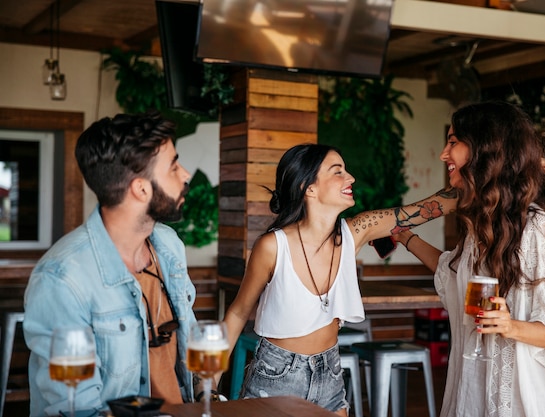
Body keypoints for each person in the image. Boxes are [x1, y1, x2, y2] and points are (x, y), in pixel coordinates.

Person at [222, 143, 461, 416]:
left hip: (331, 373)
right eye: (338, 172)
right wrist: (208, 378)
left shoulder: (356, 231)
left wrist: (477, 168)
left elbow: (435, 206)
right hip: (278, 375)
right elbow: (239, 312)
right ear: (308, 188)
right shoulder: (273, 246)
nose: (351, 178)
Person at [396, 101, 545, 416]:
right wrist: (405, 237)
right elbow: (450, 274)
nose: (443, 154)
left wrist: (509, 325)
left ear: (483, 149)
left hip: (519, 400)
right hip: (473, 390)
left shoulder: (536, 229)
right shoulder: (481, 227)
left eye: (453, 142)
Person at [23, 111, 198, 416]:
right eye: (173, 166)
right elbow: (75, 409)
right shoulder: (62, 278)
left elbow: (188, 358)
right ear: (141, 188)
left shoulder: (169, 246)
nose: (185, 175)